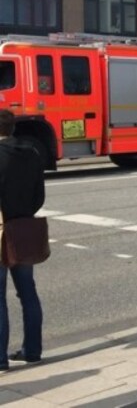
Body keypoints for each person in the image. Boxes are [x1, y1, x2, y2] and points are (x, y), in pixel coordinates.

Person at [0, 110, 45, 371]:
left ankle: (1, 358)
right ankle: (32, 350)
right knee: (28, 292)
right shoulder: (32, 153)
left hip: (2, 228)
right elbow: (39, 195)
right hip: (24, 227)